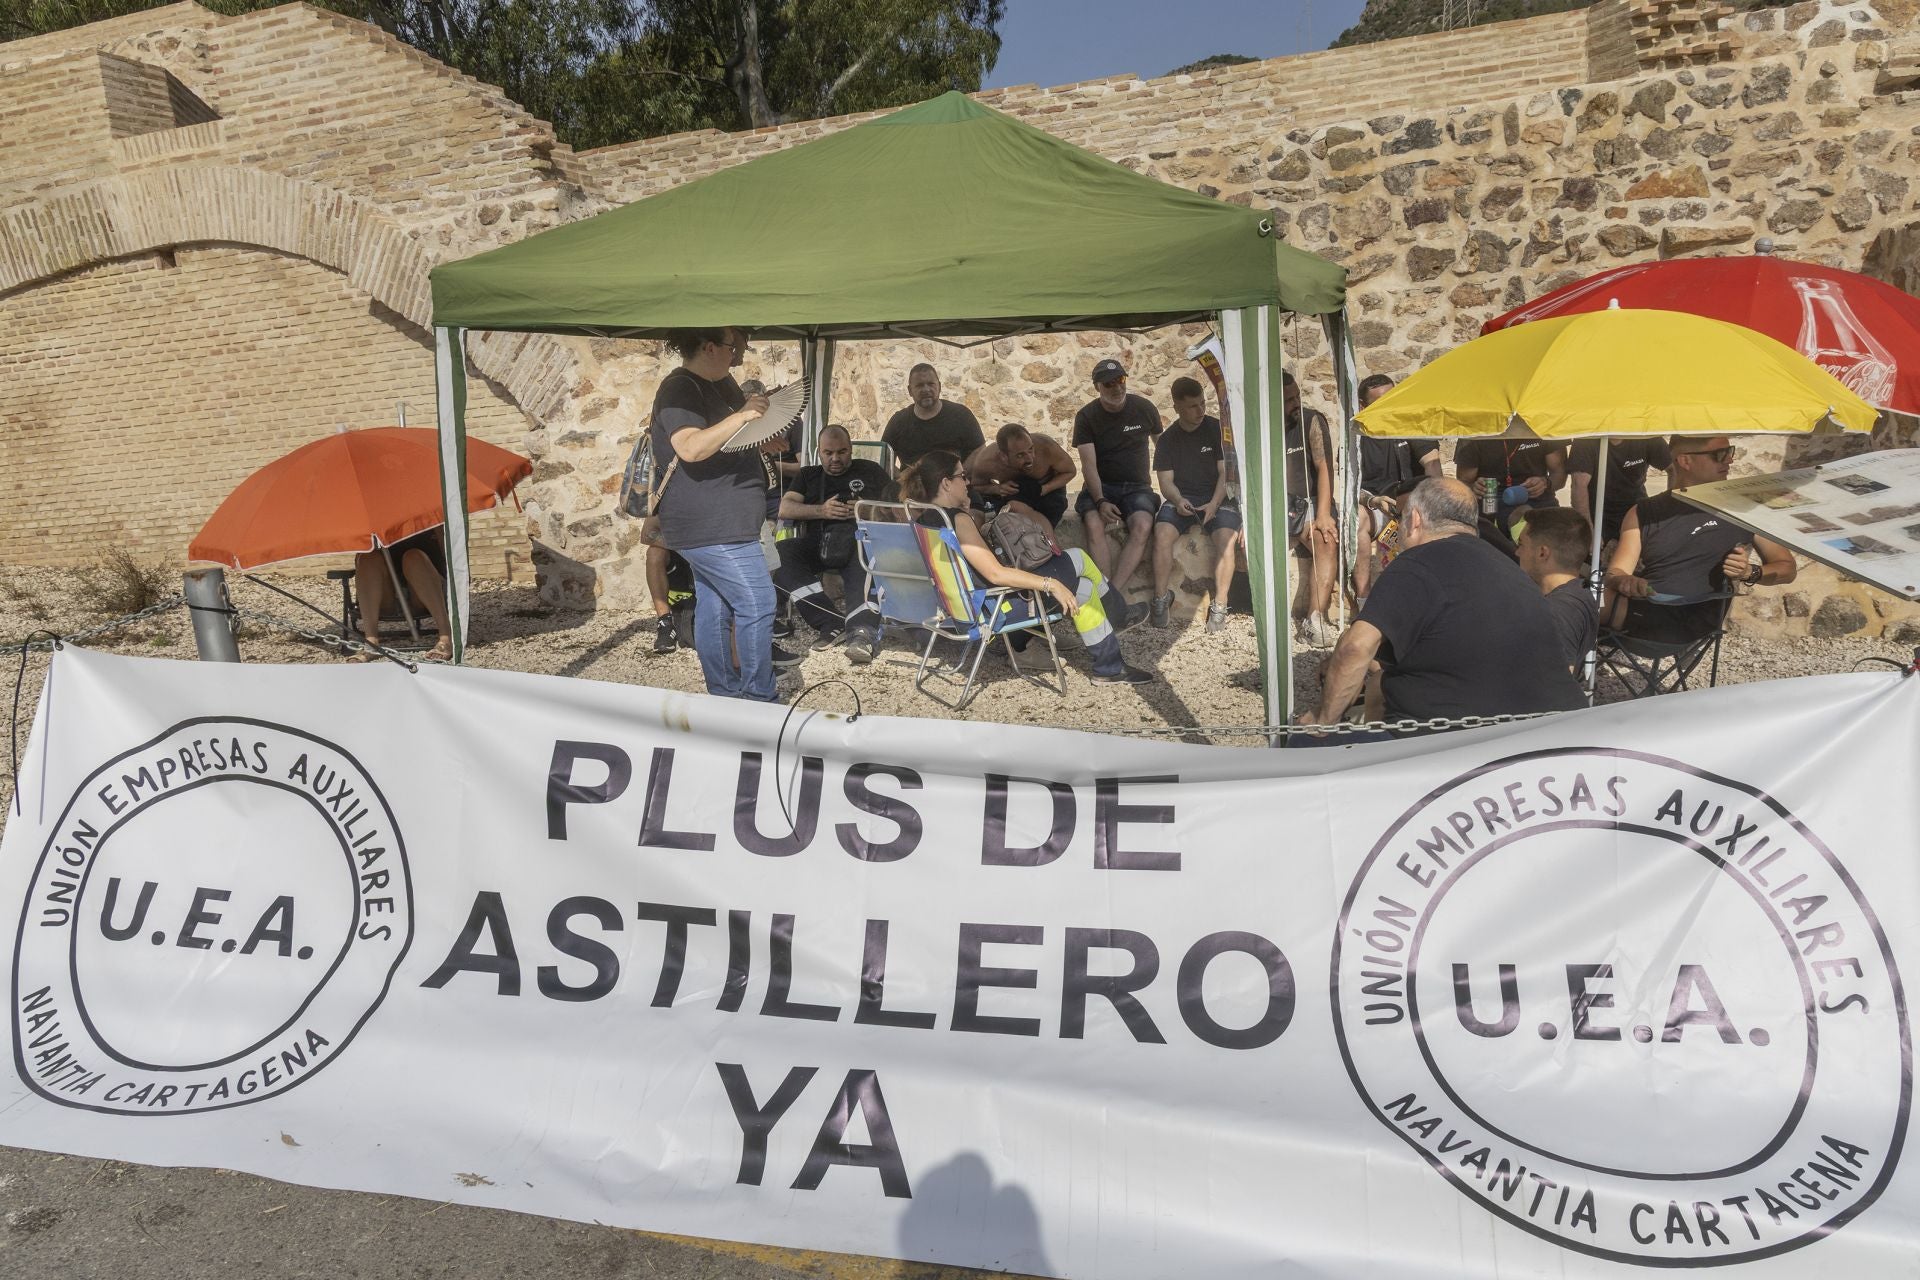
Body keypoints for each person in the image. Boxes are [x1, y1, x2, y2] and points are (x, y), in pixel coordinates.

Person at [1301, 479, 1586, 730]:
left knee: (1375, 693)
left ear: (1414, 521)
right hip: (1557, 730)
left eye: (1399, 519)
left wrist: (1323, 721)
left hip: (1460, 746)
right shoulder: (1511, 568)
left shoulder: (1414, 563)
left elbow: (1356, 648)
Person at [903, 450, 1152, 685]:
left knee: (1083, 589)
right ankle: (1119, 616)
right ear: (946, 483)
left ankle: (1109, 667)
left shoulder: (925, 519)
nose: (967, 482)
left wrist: (966, 512)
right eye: (961, 476)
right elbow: (994, 573)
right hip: (1000, 606)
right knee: (1078, 558)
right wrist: (1050, 584)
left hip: (964, 606)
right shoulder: (957, 520)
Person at [649, 325, 787, 703]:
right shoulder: (678, 388)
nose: (739, 353)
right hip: (709, 524)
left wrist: (763, 430)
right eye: (733, 346)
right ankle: (759, 698)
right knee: (758, 602)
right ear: (709, 347)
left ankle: (724, 695)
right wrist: (742, 416)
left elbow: (730, 436)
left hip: (728, 522)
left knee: (715, 603)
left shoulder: (723, 382)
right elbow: (691, 447)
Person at [1605, 435, 1795, 644]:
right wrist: (1624, 580)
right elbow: (1616, 571)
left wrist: (1749, 572)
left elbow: (1786, 568)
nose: (1729, 460)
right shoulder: (1643, 511)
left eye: (1729, 452)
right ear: (1685, 461)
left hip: (1695, 617)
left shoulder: (1744, 509)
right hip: (1646, 609)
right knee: (1571, 598)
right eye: (1719, 455)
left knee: (1573, 603)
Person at [774, 424, 890, 650]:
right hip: (820, 542)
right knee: (782, 553)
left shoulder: (870, 470)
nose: (835, 458)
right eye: (828, 453)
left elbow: (897, 507)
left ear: (851, 449)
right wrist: (821, 510)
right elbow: (785, 508)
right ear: (819, 452)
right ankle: (829, 619)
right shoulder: (808, 475)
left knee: (864, 552)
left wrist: (868, 509)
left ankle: (861, 633)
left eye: (842, 452)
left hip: (862, 541)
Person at [1148, 377, 1240, 631]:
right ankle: (1160, 598)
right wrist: (1178, 501)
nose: (1200, 411)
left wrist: (1213, 504)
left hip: (1218, 497)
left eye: (1203, 404)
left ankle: (1220, 604)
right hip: (1183, 498)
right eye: (1192, 406)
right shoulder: (1167, 440)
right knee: (1162, 533)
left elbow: (1226, 473)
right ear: (1177, 407)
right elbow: (1166, 482)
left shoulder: (1217, 430)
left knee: (1226, 538)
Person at [1072, 358, 1162, 592]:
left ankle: (1113, 595)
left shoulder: (1144, 408)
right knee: (1093, 523)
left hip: (1137, 487)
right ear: (1097, 387)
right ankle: (1103, 589)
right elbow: (1088, 465)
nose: (1117, 388)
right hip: (1102, 486)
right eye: (1109, 384)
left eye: (1120, 380)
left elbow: (1163, 451)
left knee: (1143, 525)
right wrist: (1100, 500)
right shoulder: (1086, 417)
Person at [1352, 373, 1440, 605]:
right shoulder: (1356, 437)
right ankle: (1363, 599)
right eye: (1381, 401)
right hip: (1376, 506)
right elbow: (1350, 489)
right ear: (1363, 406)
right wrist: (1374, 502)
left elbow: (1432, 465)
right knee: (1356, 519)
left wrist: (1425, 503)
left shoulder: (1410, 423)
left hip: (1411, 504)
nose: (1390, 405)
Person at [1282, 371, 1339, 647]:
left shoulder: (1311, 420)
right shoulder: (1261, 427)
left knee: (1325, 540)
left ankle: (1313, 621)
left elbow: (1325, 468)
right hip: (1278, 503)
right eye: (1287, 399)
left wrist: (1324, 514)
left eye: (1296, 396)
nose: (1295, 403)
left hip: (1310, 501)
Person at [1516, 506, 1597, 674]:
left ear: (1542, 553)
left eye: (1521, 544)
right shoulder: (1580, 593)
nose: (1517, 552)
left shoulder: (1557, 613)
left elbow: (1554, 687)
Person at [354, 528, 451, 661]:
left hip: (424, 594)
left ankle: (446, 636)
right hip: (386, 597)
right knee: (367, 558)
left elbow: (449, 557)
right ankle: (371, 641)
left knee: (413, 556)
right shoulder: (370, 524)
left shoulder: (428, 518)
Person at [965, 424, 1077, 527]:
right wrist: (997, 489)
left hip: (1047, 489)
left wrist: (1044, 489)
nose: (1030, 458)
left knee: (1051, 509)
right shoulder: (986, 461)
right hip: (1014, 494)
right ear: (1004, 456)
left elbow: (1070, 471)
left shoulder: (1046, 446)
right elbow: (976, 486)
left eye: (1031, 449)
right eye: (1020, 455)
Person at [881, 364, 984, 474]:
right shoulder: (898, 421)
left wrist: (959, 476)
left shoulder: (961, 415)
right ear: (910, 391)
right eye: (919, 385)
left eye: (931, 384)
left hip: (955, 487)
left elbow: (979, 449)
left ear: (939, 386)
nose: (926, 389)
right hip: (913, 489)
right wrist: (905, 481)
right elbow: (884, 458)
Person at [1455, 435, 1567, 536]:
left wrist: (1545, 483)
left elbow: (1559, 476)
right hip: (1493, 498)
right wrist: (1474, 487)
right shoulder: (1477, 431)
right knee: (1525, 517)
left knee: (1564, 525)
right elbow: (1463, 481)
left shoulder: (1543, 424)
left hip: (1539, 497)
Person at [1569, 436, 1670, 547]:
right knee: (1598, 557)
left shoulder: (1644, 435)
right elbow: (1579, 485)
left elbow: (1674, 468)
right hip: (1597, 513)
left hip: (1635, 510)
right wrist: (1588, 530)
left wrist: (1669, 510)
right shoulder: (1586, 440)